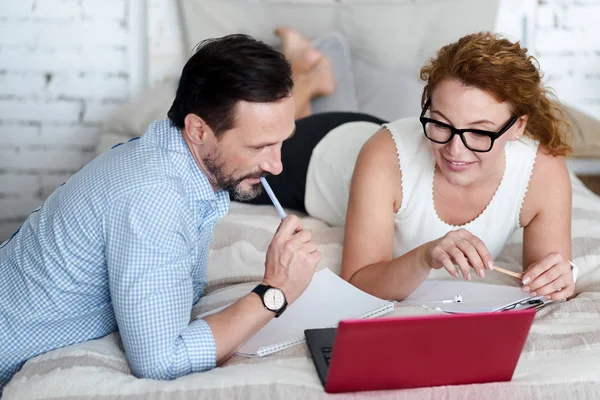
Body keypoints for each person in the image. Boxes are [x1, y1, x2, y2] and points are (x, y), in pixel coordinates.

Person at [0, 32, 333, 391]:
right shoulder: (155, 198)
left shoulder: (173, 161)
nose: (276, 165)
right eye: (259, 146)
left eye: (282, 141)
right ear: (198, 130)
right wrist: (276, 291)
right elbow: (161, 362)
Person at [244, 31, 577, 303]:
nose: (454, 149)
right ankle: (307, 78)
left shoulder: (542, 172)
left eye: (478, 132)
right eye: (440, 123)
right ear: (427, 109)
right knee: (269, 134)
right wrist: (425, 256)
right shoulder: (384, 155)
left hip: (370, 142)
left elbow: (546, 278)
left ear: (518, 127)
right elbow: (358, 283)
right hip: (319, 153)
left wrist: (558, 279)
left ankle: (314, 74)